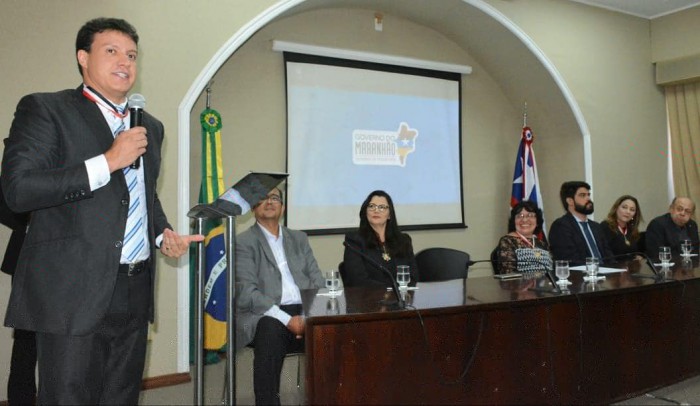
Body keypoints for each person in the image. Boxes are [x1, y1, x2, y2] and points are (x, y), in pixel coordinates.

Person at [0, 18, 203, 404]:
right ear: (83, 57)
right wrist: (107, 161)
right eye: (111, 51)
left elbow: (142, 196)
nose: (124, 62)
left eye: (131, 55)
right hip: (71, 291)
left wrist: (162, 235)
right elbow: (19, 190)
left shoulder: (151, 127)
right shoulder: (47, 108)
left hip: (135, 287)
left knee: (121, 397)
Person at [235, 188, 325, 405]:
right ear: (254, 208)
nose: (269, 202)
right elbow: (248, 293)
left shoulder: (299, 238)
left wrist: (304, 317)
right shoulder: (243, 242)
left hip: (302, 310)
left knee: (334, 330)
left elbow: (317, 282)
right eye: (263, 198)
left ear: (282, 208)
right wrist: (287, 320)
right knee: (270, 329)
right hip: (264, 313)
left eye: (275, 198)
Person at [0, 184, 36, 405]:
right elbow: (6, 203)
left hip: (72, 265)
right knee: (25, 344)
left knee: (67, 346)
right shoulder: (24, 151)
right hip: (27, 261)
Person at [343, 190, 419, 287]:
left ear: (389, 214)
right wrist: (391, 290)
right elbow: (358, 280)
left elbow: (413, 276)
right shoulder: (354, 241)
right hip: (368, 299)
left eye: (382, 207)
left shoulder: (403, 240)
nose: (376, 210)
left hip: (402, 298)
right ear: (365, 212)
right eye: (371, 206)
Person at [548, 181, 612, 265]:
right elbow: (570, 261)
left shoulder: (596, 227)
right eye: (582, 195)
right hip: (580, 275)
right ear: (570, 201)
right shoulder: (560, 226)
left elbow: (609, 256)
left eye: (588, 195)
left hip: (607, 274)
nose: (588, 199)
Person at [495, 201, 551, 274]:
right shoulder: (507, 241)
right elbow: (509, 274)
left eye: (530, 215)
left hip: (544, 285)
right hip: (518, 285)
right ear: (514, 221)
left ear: (537, 222)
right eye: (519, 216)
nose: (524, 220)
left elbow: (551, 271)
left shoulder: (542, 243)